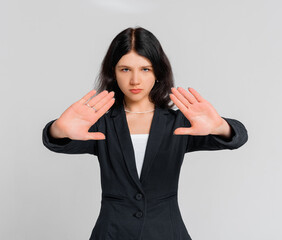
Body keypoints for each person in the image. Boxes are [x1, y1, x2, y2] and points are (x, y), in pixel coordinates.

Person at [42, 27, 248, 240]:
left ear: (158, 71)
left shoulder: (179, 124)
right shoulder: (101, 124)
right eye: (125, 69)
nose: (135, 80)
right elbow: (57, 139)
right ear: (112, 71)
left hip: (166, 232)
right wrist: (57, 130)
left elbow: (238, 136)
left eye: (145, 69)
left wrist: (221, 126)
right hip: (112, 233)